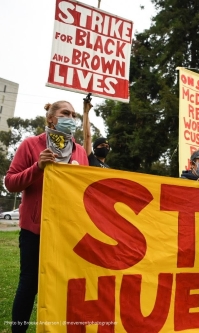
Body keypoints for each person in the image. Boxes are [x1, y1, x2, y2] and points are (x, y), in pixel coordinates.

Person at [5, 101, 89, 333]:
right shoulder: (31, 145)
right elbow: (10, 182)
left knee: (61, 285)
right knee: (29, 284)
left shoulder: (79, 150)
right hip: (35, 229)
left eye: (73, 115)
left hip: (66, 230)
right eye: (65, 113)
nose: (70, 118)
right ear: (51, 118)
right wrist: (37, 167)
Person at [83, 96, 110, 168]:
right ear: (94, 148)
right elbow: (87, 137)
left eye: (107, 146)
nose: (105, 148)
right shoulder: (90, 158)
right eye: (102, 145)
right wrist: (86, 112)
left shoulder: (109, 168)